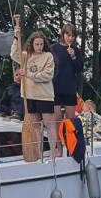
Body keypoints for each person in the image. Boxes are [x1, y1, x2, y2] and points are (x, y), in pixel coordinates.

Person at [10, 25, 57, 157]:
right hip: (30, 95)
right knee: (36, 125)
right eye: (37, 44)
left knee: (49, 124)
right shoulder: (26, 55)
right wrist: (16, 37)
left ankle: (53, 153)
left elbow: (47, 75)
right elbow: (14, 54)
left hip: (45, 95)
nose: (39, 46)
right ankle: (39, 152)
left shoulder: (48, 56)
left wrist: (28, 74)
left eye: (41, 44)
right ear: (32, 44)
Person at [51, 23, 85, 154]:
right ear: (63, 35)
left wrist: (73, 57)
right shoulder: (54, 48)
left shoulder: (76, 50)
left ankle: (71, 148)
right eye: (68, 35)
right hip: (55, 87)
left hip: (70, 87)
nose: (70, 38)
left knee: (71, 121)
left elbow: (79, 69)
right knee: (57, 119)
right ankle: (59, 149)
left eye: (72, 36)